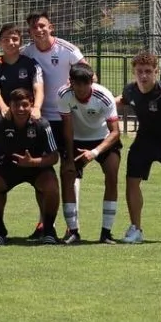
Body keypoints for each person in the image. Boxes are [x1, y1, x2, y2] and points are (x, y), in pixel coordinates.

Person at [21, 11, 85, 239]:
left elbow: (90, 75)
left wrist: (75, 80)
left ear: (51, 27)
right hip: (40, 120)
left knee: (70, 171)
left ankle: (72, 225)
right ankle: (44, 224)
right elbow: (5, 62)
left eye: (42, 26)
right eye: (33, 28)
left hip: (67, 119)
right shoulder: (27, 52)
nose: (38, 30)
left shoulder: (68, 50)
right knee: (43, 173)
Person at [116, 52, 161, 244]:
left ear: (156, 72)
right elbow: (119, 101)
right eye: (139, 71)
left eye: (148, 71)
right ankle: (135, 229)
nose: (143, 76)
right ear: (134, 72)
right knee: (132, 181)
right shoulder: (131, 90)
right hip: (144, 141)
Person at [0, 88, 61, 245]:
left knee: (51, 187)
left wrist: (32, 162)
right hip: (8, 166)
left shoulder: (42, 124)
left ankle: (48, 231)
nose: (20, 109)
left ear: (31, 105)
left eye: (25, 105)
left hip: (37, 167)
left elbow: (54, 156)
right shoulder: (0, 120)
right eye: (16, 105)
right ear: (10, 105)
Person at [57, 63, 122, 244]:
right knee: (67, 176)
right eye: (77, 84)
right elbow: (68, 129)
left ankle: (106, 233)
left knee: (112, 176)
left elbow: (116, 132)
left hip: (103, 140)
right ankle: (73, 231)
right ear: (70, 83)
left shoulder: (104, 96)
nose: (81, 89)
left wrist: (94, 152)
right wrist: (69, 158)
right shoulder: (63, 95)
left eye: (85, 84)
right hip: (76, 140)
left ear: (91, 81)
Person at [0, 23, 45, 118]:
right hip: (5, 114)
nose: (11, 43)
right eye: (6, 40)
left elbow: (38, 87)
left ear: (20, 42)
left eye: (15, 39)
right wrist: (4, 108)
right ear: (0, 42)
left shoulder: (32, 64)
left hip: (28, 114)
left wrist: (36, 108)